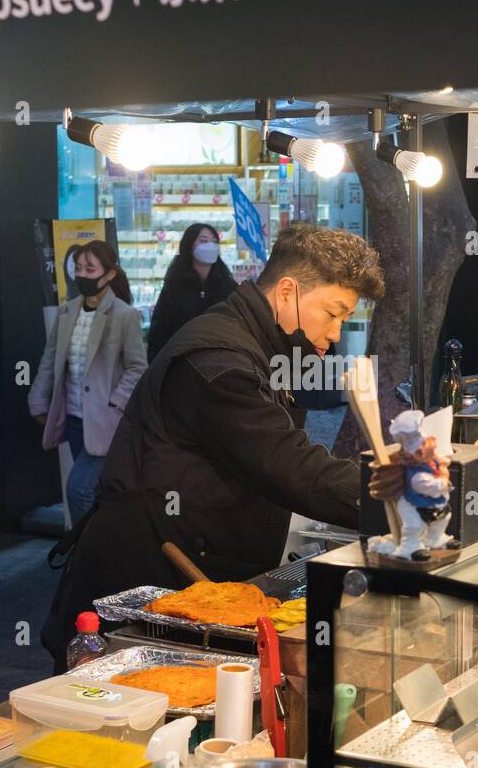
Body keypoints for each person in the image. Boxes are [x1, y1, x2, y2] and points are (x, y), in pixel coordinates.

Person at [42, 225, 385, 670]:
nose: (336, 332)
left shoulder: (257, 345)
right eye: (333, 313)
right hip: (141, 583)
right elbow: (288, 464)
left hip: (189, 574)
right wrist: (393, 497)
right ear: (287, 291)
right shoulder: (218, 359)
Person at [29, 240, 147, 524]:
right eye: (78, 268)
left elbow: (138, 367)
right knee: (96, 491)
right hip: (72, 417)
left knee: (78, 490)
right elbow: (51, 359)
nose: (82, 275)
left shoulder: (124, 315)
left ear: (109, 275)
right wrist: (38, 400)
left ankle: (90, 549)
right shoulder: (67, 312)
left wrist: (114, 403)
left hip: (105, 421)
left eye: (90, 269)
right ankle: (100, 556)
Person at [147, 223, 238, 362]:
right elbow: (160, 330)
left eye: (214, 241)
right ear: (189, 246)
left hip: (220, 364)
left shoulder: (228, 287)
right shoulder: (174, 286)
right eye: (203, 241)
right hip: (181, 364)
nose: (210, 245)